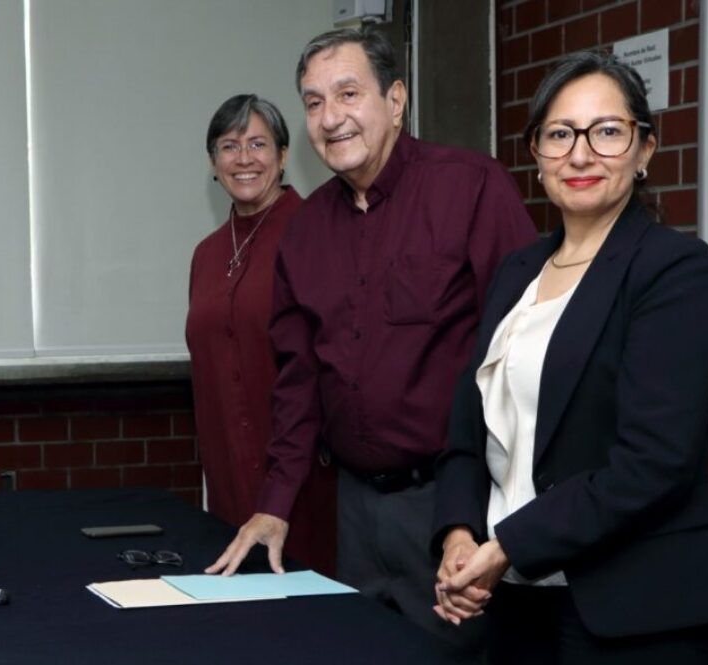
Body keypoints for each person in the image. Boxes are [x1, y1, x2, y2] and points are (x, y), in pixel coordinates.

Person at [205, 27, 536, 649]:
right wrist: (275, 504)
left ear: (396, 99)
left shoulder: (469, 187)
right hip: (352, 511)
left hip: (451, 510)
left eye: (348, 93)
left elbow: (524, 347)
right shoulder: (303, 235)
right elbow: (298, 382)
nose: (330, 118)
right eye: (312, 102)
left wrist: (491, 520)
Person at [431, 51, 708, 664]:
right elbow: (467, 436)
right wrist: (456, 536)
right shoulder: (516, 272)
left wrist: (505, 547)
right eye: (559, 134)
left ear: (645, 150)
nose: (580, 154)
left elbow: (652, 461)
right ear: (537, 155)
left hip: (639, 615)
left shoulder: (674, 269)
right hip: (518, 604)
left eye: (606, 132)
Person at [186, 94, 336, 576]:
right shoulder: (206, 255)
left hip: (304, 473)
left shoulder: (316, 232)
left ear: (284, 155)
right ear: (213, 162)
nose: (244, 158)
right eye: (230, 146)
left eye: (258, 143)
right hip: (226, 466)